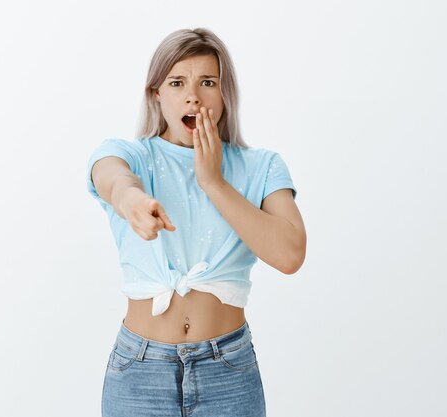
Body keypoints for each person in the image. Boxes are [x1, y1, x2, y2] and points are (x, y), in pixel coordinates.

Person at [86, 27, 306, 417]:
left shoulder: (262, 166)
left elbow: (289, 254)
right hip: (139, 371)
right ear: (157, 94)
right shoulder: (131, 155)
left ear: (225, 95)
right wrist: (129, 198)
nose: (193, 95)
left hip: (228, 370)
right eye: (176, 82)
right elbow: (110, 176)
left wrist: (213, 181)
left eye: (208, 82)